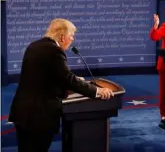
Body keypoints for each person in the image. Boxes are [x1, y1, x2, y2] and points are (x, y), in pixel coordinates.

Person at [8, 18, 114, 152]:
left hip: (23, 112)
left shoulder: (35, 45)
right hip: (39, 116)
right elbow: (67, 79)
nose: (72, 40)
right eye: (71, 36)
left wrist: (74, 79)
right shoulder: (54, 51)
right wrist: (97, 91)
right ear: (63, 37)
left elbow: (46, 76)